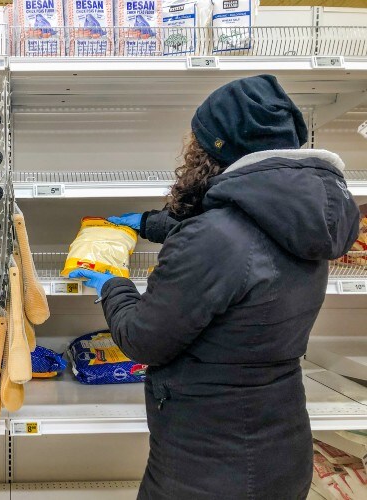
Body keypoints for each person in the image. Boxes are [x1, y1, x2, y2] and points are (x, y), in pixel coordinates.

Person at [69, 74, 359, 500]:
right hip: (279, 448)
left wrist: (112, 284)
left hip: (209, 468)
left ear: (214, 149)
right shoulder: (305, 220)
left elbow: (142, 339)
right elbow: (245, 244)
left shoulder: (213, 238)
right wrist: (150, 224)